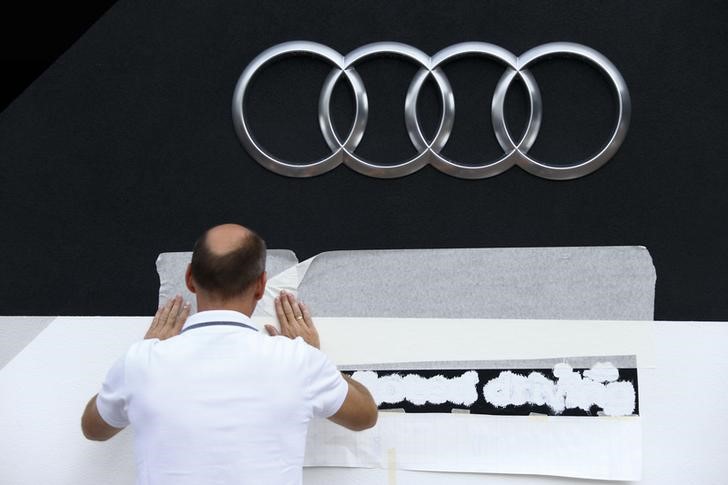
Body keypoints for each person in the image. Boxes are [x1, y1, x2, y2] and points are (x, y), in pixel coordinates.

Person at [81, 223, 377, 485]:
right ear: (261, 286)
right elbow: (365, 415)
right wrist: (313, 356)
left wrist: (143, 352)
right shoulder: (299, 361)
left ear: (189, 278)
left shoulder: (142, 362)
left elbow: (94, 428)